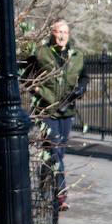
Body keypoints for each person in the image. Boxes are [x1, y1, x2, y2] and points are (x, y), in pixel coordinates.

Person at [28, 20, 87, 212]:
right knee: (54, 150)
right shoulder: (40, 53)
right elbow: (26, 75)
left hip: (67, 111)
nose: (62, 36)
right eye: (59, 32)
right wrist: (38, 90)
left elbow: (85, 76)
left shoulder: (77, 56)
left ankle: (45, 190)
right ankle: (60, 195)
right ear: (52, 33)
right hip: (47, 109)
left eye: (65, 32)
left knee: (55, 153)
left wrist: (81, 87)